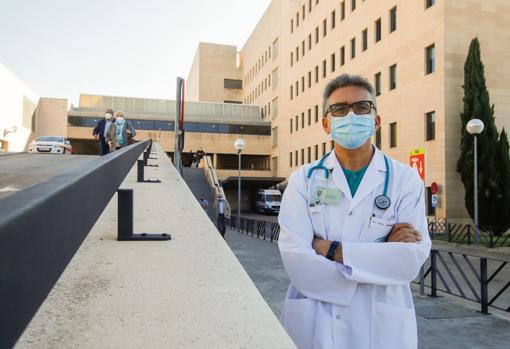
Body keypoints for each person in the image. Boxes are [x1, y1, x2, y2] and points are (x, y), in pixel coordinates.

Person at [278, 74, 431, 349]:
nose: (351, 115)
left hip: (381, 325)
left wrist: (331, 249)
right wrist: (378, 257)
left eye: (362, 107)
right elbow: (296, 262)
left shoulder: (405, 180)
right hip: (316, 321)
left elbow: (410, 260)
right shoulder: (303, 180)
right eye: (339, 109)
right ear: (326, 124)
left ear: (376, 119)